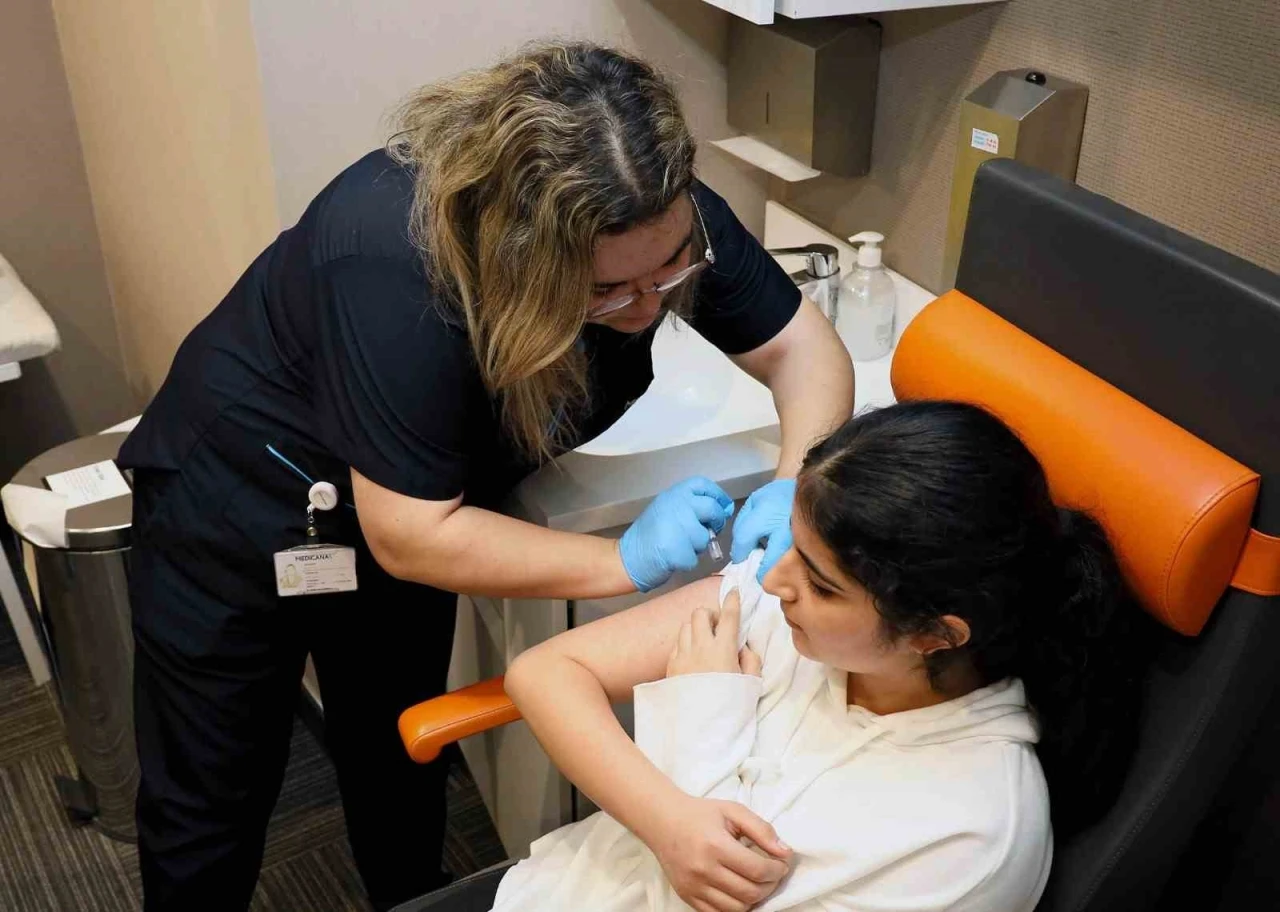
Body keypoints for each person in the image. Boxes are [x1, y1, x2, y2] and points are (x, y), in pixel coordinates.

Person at [117, 43, 854, 912]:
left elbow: (803, 350)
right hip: (244, 501)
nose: (651, 307)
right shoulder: (395, 260)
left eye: (671, 274)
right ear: (521, 250)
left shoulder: (656, 217)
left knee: (398, 744)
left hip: (423, 497)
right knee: (214, 787)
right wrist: (623, 561)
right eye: (610, 292)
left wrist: (797, 484)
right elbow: (410, 536)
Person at [494, 401, 1146, 912]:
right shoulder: (798, 614)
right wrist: (668, 821)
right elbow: (545, 672)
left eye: (821, 583)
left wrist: (701, 723)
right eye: (792, 546)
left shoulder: (965, 838)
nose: (774, 579)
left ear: (934, 635)